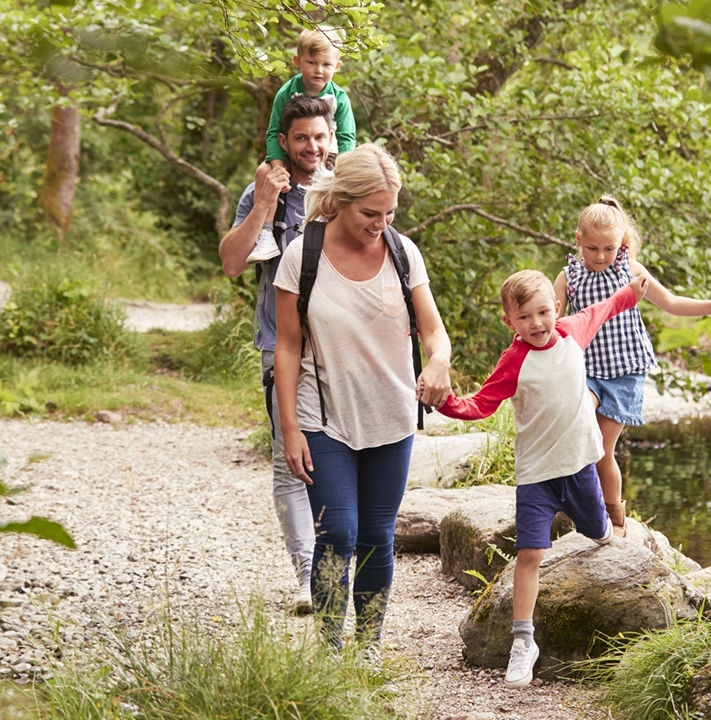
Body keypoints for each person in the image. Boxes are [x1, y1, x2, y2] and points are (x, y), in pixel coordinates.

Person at [272, 144, 452, 653]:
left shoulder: (402, 252)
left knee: (377, 534)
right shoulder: (301, 257)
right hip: (322, 417)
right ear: (340, 201)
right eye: (369, 213)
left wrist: (438, 361)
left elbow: (434, 332)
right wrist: (289, 428)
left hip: (391, 416)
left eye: (390, 212)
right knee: (339, 533)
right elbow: (287, 347)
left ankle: (368, 646)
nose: (381, 223)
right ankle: (330, 652)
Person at [434, 268, 650, 688]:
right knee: (530, 554)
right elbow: (480, 404)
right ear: (509, 322)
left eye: (542, 312)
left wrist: (629, 293)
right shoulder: (514, 361)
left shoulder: (572, 331)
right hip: (536, 476)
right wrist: (444, 403)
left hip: (580, 468)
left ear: (555, 308)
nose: (536, 323)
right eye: (525, 317)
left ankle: (607, 526)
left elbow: (603, 309)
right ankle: (522, 641)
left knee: (598, 534)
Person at [552, 196, 711, 537]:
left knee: (601, 448)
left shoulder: (630, 271)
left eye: (609, 248)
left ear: (622, 243)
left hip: (624, 372)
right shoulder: (568, 276)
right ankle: (575, 503)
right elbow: (551, 322)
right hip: (585, 370)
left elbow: (671, 303)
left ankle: (615, 518)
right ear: (578, 239)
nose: (600, 256)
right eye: (592, 248)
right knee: (580, 432)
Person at [219, 94, 337, 614]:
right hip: (279, 343)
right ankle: (308, 575)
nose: (311, 146)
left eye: (320, 137)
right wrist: (265, 203)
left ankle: (340, 560)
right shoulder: (262, 191)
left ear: (331, 139)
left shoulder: (344, 191)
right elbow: (231, 263)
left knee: (339, 455)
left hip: (340, 346)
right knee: (289, 463)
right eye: (301, 138)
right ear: (284, 142)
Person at [248, 26, 357, 264]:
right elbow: (274, 132)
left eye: (326, 65)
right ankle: (266, 234)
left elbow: (348, 138)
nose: (319, 70)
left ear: (337, 66)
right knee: (265, 173)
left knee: (344, 188)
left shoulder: (339, 98)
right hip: (290, 154)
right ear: (298, 61)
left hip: (330, 155)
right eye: (312, 62)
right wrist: (278, 166)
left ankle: (338, 236)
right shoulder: (286, 93)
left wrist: (343, 168)